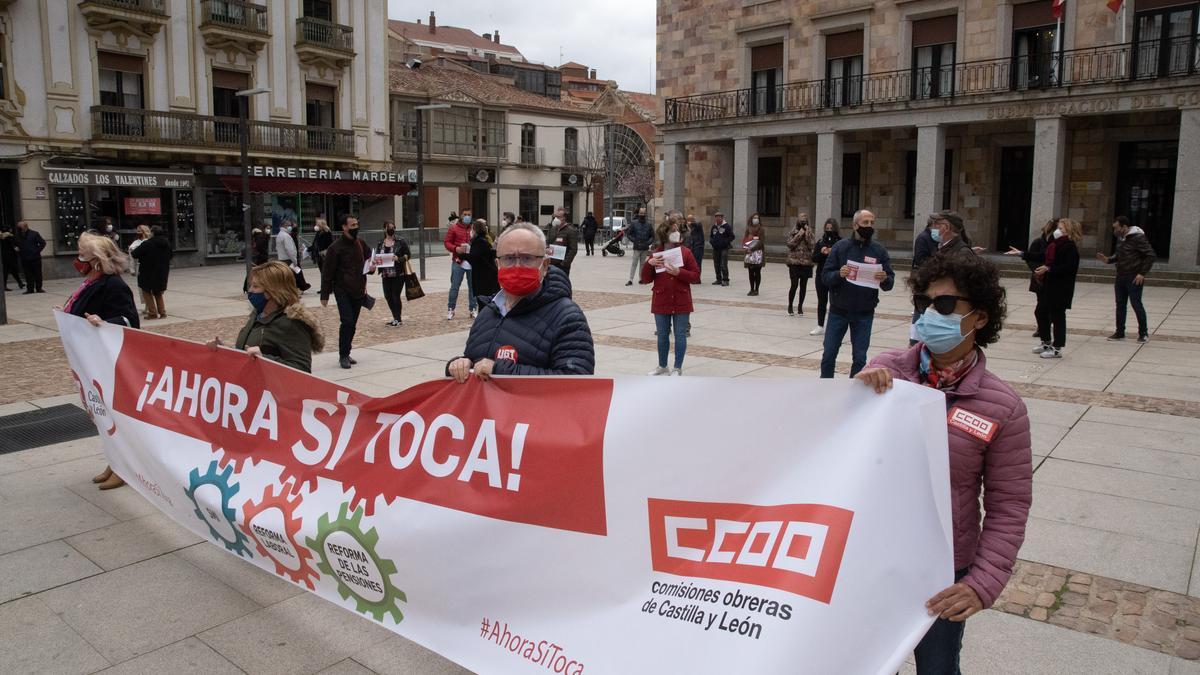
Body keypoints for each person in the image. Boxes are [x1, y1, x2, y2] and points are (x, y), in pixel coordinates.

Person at [855, 252, 1032, 675]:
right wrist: (855, 398)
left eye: (946, 305)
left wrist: (982, 583)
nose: (931, 313)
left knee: (937, 668)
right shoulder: (887, 371)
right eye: (925, 304)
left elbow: (1010, 505)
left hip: (944, 571)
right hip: (873, 557)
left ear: (980, 318)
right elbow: (845, 455)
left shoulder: (1003, 407)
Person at [447, 223, 594, 381]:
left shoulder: (567, 317)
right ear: (498, 265)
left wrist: (500, 371)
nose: (517, 266)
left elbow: (577, 381)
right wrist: (461, 365)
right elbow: (475, 361)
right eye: (509, 258)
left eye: (527, 258)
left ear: (544, 265)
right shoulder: (488, 313)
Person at [66, 233, 139, 491]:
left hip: (109, 361)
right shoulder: (91, 282)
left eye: (83, 254)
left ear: (96, 260)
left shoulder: (113, 285)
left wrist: (104, 323)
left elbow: (130, 321)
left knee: (113, 415)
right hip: (92, 359)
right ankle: (114, 462)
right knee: (101, 414)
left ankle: (125, 467)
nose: (79, 259)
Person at [207, 261, 325, 373]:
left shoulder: (291, 323)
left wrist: (264, 359)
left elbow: (301, 369)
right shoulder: (257, 316)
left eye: (255, 286)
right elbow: (246, 353)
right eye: (250, 286)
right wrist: (224, 350)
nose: (250, 291)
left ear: (272, 292)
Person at [819, 209, 894, 378]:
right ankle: (824, 388)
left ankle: (855, 392)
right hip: (839, 311)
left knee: (860, 358)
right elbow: (825, 277)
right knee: (829, 354)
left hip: (864, 313)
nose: (869, 226)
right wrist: (839, 274)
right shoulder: (840, 247)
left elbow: (890, 282)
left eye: (872, 223)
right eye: (865, 223)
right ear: (855, 225)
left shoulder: (878, 251)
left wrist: (884, 279)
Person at [641, 216, 700, 375]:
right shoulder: (656, 253)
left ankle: (677, 368)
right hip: (661, 299)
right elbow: (645, 279)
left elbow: (695, 275)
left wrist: (679, 272)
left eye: (677, 231)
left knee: (680, 335)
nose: (676, 233)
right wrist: (649, 264)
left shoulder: (685, 252)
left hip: (681, 299)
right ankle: (662, 365)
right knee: (662, 335)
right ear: (665, 234)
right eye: (673, 231)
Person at [320, 214, 374, 369]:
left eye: (357, 224)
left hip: (358, 290)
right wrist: (325, 295)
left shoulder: (361, 244)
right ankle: (343, 355)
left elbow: (369, 261)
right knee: (347, 321)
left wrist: (372, 267)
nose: (356, 228)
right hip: (342, 290)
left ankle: (347, 351)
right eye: (352, 225)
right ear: (344, 227)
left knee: (353, 323)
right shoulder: (335, 248)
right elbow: (327, 273)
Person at [1098, 216, 1155, 343]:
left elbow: (1150, 255)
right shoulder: (1122, 239)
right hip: (1121, 275)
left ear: (1124, 227)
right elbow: (1119, 255)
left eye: (1116, 227)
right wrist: (1108, 260)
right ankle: (1119, 332)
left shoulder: (1138, 238)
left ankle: (1143, 333)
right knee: (1120, 304)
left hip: (1133, 276)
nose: (1115, 230)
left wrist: (1142, 273)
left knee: (1136, 304)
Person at [1032, 218, 1081, 359]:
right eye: (1058, 228)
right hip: (1049, 287)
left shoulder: (1070, 247)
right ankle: (1046, 342)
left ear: (1069, 231)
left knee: (1058, 317)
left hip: (1061, 289)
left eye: (1061, 228)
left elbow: (1068, 268)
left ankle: (1057, 348)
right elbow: (1042, 256)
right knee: (1041, 311)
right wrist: (1022, 254)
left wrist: (1048, 269)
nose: (1057, 231)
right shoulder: (1055, 245)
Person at [1004, 219, 1056, 338]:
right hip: (1039, 277)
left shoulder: (1056, 244)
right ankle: (1042, 328)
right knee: (1041, 305)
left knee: (1047, 307)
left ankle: (1045, 329)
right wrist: (1037, 271)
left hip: (1050, 277)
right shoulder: (1038, 242)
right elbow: (1032, 258)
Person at [130, 225, 173, 320]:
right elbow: (170, 255)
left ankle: (152, 312)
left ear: (153, 233)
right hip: (162, 271)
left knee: (146, 291)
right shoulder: (166, 243)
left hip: (147, 271)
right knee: (158, 292)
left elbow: (134, 254)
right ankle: (162, 312)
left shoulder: (148, 243)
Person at [374, 221, 411, 327]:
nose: (390, 229)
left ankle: (398, 319)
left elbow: (408, 255)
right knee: (387, 296)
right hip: (385, 273)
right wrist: (376, 261)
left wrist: (398, 259)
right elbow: (377, 255)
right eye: (388, 227)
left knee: (395, 295)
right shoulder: (381, 243)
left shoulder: (400, 241)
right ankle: (395, 317)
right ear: (384, 229)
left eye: (392, 227)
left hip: (398, 273)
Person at [809, 218, 841, 335]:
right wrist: (822, 252)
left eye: (831, 229)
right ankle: (820, 325)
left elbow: (843, 259)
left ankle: (834, 325)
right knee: (822, 300)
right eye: (827, 229)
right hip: (821, 274)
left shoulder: (840, 243)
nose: (829, 231)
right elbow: (813, 258)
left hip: (835, 275)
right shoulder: (820, 241)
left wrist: (833, 251)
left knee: (835, 301)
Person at [444, 210, 476, 320]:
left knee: (473, 287)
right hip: (458, 261)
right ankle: (451, 309)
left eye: (469, 215)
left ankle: (473, 309)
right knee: (454, 286)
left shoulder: (474, 228)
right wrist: (455, 248)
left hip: (472, 261)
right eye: (465, 214)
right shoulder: (454, 228)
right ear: (461, 216)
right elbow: (447, 242)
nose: (467, 216)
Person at [785, 214, 814, 316]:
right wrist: (799, 234)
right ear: (797, 221)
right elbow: (790, 244)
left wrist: (807, 234)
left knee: (803, 286)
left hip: (806, 262)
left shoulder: (809, 232)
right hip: (794, 262)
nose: (803, 223)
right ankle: (790, 305)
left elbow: (812, 245)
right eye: (801, 221)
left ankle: (800, 306)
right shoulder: (793, 232)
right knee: (794, 285)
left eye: (804, 221)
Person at [466, 218, 500, 299]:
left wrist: (462, 255)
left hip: (485, 276)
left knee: (484, 300)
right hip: (487, 274)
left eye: (472, 229)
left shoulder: (480, 241)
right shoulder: (482, 239)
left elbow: (475, 257)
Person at [275, 219, 310, 292]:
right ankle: (295, 290)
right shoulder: (286, 236)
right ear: (285, 226)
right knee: (294, 276)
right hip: (288, 260)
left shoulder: (280, 234)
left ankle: (295, 289)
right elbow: (290, 250)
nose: (290, 227)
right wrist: (294, 260)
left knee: (288, 276)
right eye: (289, 225)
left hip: (282, 259)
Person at [13, 221, 45, 293]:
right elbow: (14, 244)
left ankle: (39, 288)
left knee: (37, 273)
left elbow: (43, 243)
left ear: (25, 227)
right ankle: (30, 289)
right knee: (28, 274)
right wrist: (15, 247)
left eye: (20, 228)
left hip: (35, 258)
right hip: (24, 257)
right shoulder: (18, 235)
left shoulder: (34, 234)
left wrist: (36, 251)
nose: (19, 229)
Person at [546, 207, 579, 276]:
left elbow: (573, 249)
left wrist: (565, 263)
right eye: (555, 217)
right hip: (550, 264)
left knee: (561, 284)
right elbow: (547, 243)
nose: (555, 219)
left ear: (564, 218)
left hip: (562, 266)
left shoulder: (571, 231)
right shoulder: (552, 229)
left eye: (558, 217)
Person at [625, 207, 653, 286]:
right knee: (634, 263)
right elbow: (629, 234)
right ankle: (631, 279)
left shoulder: (648, 224)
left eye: (643, 214)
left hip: (644, 247)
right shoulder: (634, 223)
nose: (642, 215)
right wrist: (634, 240)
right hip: (637, 246)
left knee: (642, 264)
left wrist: (648, 242)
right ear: (638, 214)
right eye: (641, 214)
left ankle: (641, 278)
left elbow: (652, 236)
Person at [742, 213, 766, 296]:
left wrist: (752, 248)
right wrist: (745, 247)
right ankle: (751, 289)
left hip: (757, 253)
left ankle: (756, 289)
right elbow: (745, 239)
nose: (755, 219)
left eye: (757, 218)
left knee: (757, 272)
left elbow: (761, 242)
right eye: (754, 218)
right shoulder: (748, 228)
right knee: (750, 272)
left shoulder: (761, 229)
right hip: (749, 253)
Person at [709, 212, 734, 286]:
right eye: (716, 217)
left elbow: (732, 236)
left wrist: (725, 242)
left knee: (723, 264)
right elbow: (711, 236)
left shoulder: (727, 226)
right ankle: (718, 279)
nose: (717, 218)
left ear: (722, 218)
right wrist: (711, 241)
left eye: (719, 217)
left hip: (724, 248)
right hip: (715, 248)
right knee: (716, 264)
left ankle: (725, 280)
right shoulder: (714, 226)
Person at [0, 225, 23, 291]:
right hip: (10, 257)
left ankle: (19, 283)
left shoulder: (1, 237)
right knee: (10, 271)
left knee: (9, 271)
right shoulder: (10, 236)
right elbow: (16, 243)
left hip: (4, 257)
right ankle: (18, 283)